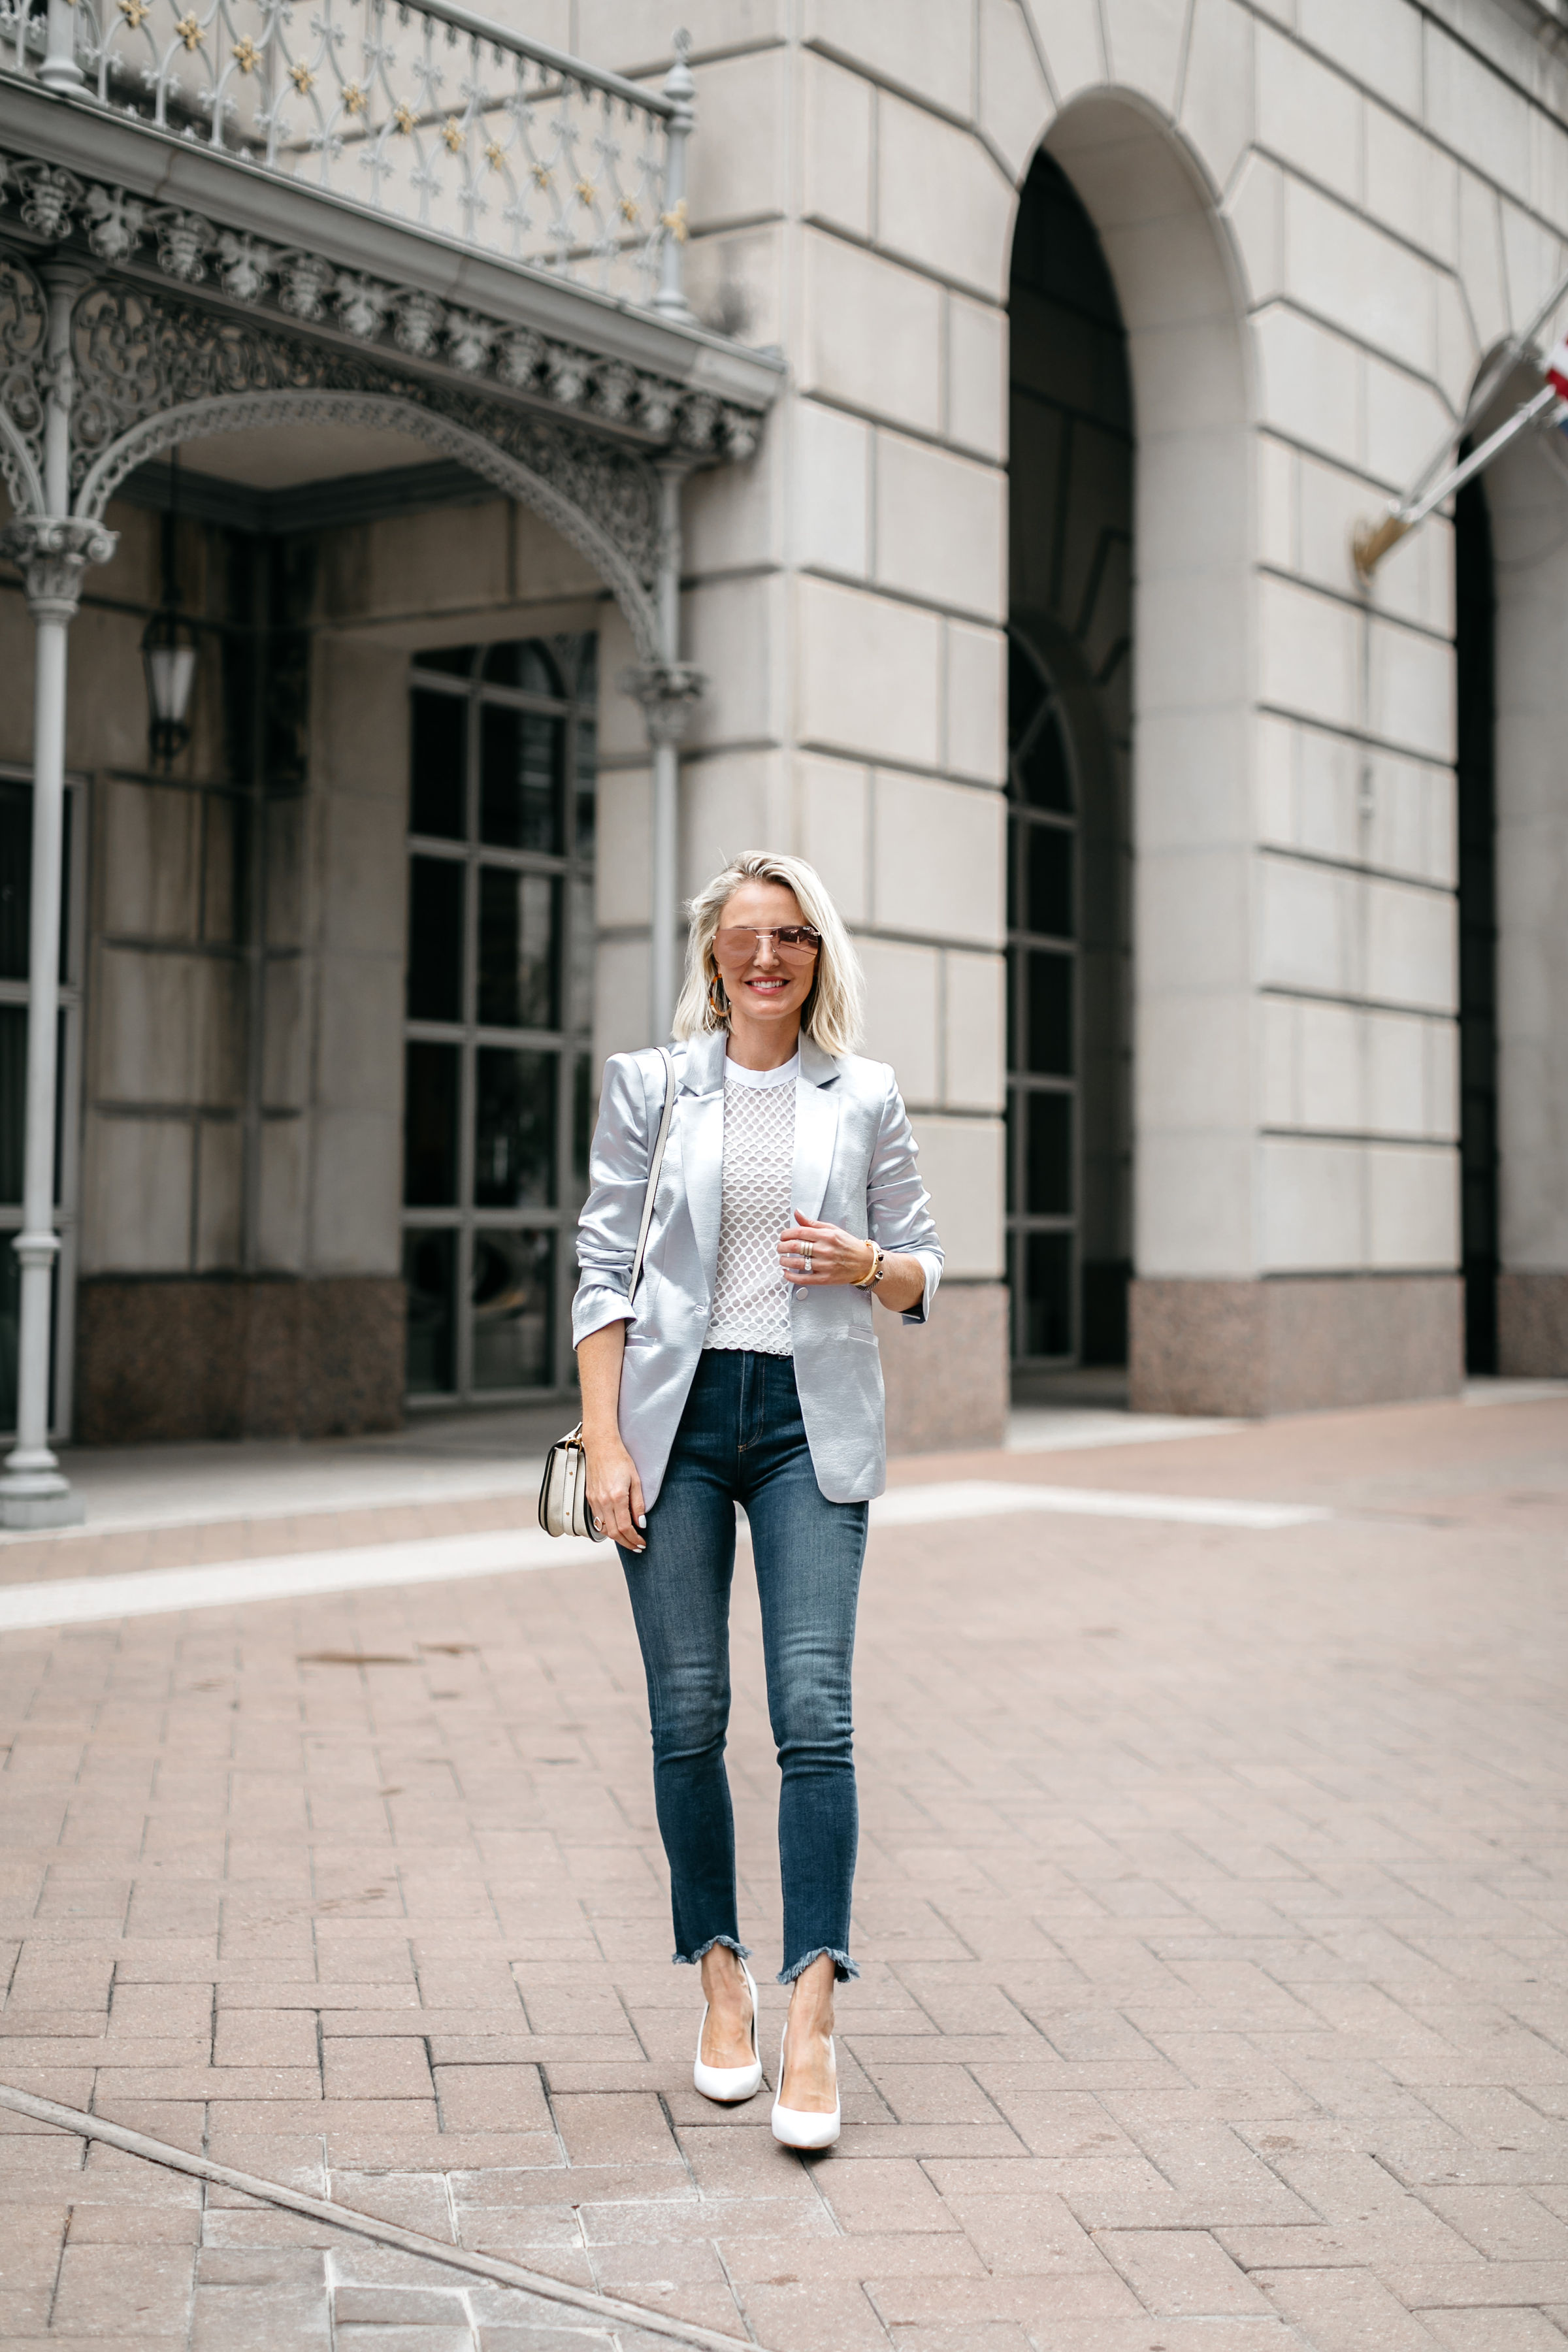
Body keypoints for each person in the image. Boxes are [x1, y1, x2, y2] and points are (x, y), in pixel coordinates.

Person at [572, 851, 943, 2150]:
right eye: (745, 939)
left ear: (818, 953)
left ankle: (812, 2009)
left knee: (813, 1712)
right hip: (673, 1427)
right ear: (713, 955)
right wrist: (602, 1438)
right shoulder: (651, 1089)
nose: (767, 958)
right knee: (688, 1714)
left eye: (790, 937)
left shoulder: (868, 1096)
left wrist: (871, 1262)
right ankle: (720, 1979)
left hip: (807, 1424)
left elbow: (924, 1270)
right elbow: (603, 1263)